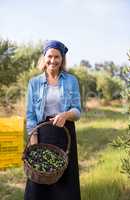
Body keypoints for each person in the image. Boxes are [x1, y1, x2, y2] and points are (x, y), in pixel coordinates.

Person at [24, 40, 81, 200]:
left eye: (57, 56)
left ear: (62, 59)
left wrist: (66, 115)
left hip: (65, 133)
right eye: (50, 56)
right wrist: (33, 140)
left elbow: (77, 111)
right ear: (44, 57)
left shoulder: (71, 81)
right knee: (39, 180)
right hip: (42, 133)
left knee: (65, 183)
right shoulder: (34, 83)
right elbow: (30, 114)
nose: (53, 60)